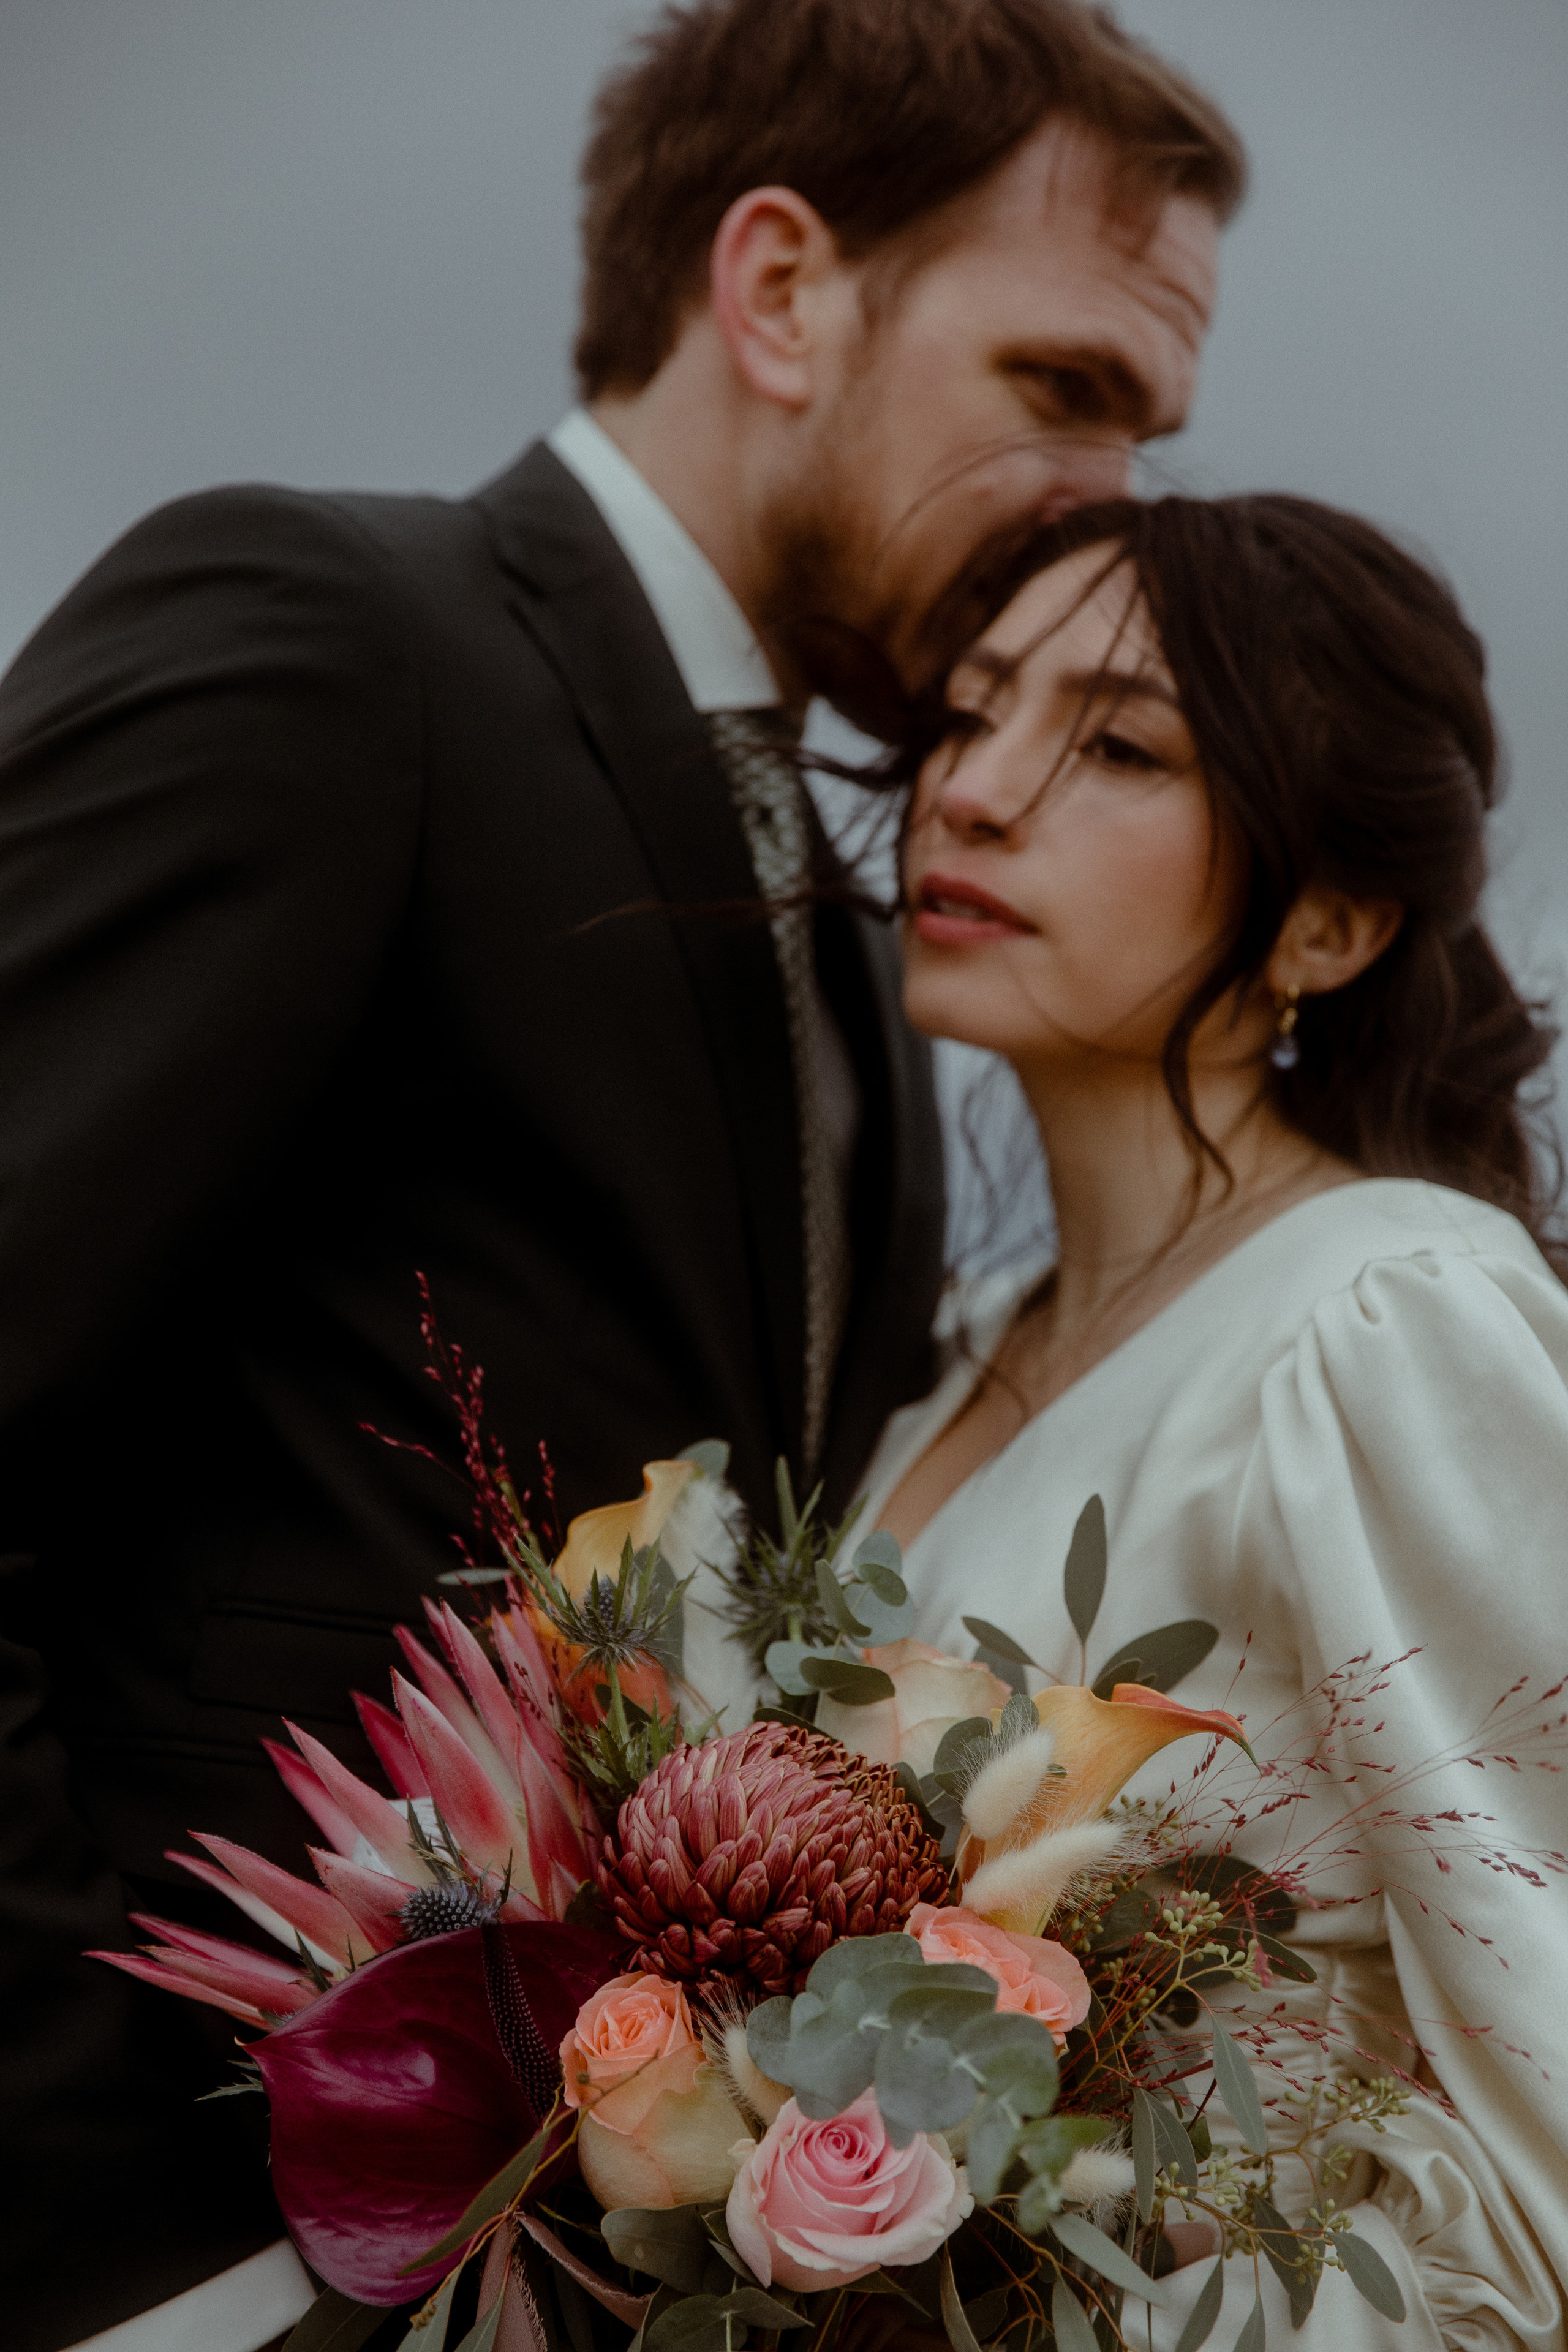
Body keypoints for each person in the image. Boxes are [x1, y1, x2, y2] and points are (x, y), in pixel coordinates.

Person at [0, 4, 1245, 2345]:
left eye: (1147, 431)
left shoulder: (863, 940)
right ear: (778, 289)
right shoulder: (327, 636)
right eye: (1063, 386)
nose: (1108, 499)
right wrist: (133, 2268)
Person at [854, 493, 1568, 2347]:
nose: (971, 792)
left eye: (1117, 746)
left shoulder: (1388, 1316)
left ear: (1329, 920)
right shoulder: (951, 1359)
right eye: (973, 712)